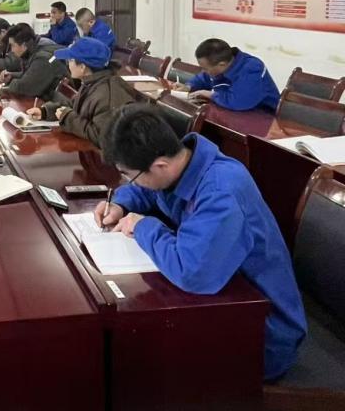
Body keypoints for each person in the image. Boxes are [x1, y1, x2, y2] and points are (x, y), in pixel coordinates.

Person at [95, 104, 306, 381]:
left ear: (160, 165)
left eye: (128, 174)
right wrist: (121, 205)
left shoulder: (221, 191)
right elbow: (147, 191)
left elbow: (193, 273)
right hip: (223, 301)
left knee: (138, 364)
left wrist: (144, 226)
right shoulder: (182, 162)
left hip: (262, 331)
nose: (128, 180)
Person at [27, 37, 134, 146]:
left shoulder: (106, 95)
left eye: (70, 60)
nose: (68, 64)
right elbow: (74, 106)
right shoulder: (91, 82)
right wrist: (46, 112)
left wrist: (67, 118)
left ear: (82, 67)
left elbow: (100, 136)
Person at [176, 38, 281, 111]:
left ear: (221, 64)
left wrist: (209, 94)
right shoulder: (221, 65)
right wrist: (188, 87)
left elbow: (238, 102)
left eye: (205, 68)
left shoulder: (252, 69)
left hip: (265, 119)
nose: (203, 71)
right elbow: (203, 78)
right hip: (234, 114)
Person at [0, 23, 68, 100]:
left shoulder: (43, 58)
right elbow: (31, 75)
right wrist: (12, 76)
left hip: (55, 103)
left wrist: (6, 87)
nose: (12, 50)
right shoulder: (35, 49)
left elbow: (26, 87)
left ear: (24, 45)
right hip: (48, 98)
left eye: (13, 45)